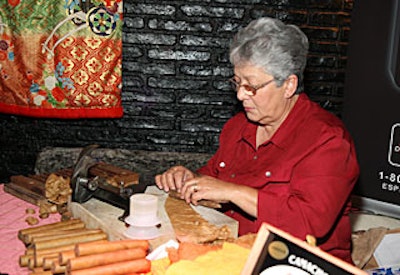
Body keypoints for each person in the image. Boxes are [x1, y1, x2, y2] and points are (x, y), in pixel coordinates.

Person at [155, 17, 359, 263]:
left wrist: (233, 193)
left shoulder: (328, 140)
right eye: (237, 83)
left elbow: (309, 222)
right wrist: (190, 179)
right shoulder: (239, 126)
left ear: (288, 85)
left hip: (299, 265)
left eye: (251, 87)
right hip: (236, 254)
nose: (241, 95)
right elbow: (216, 180)